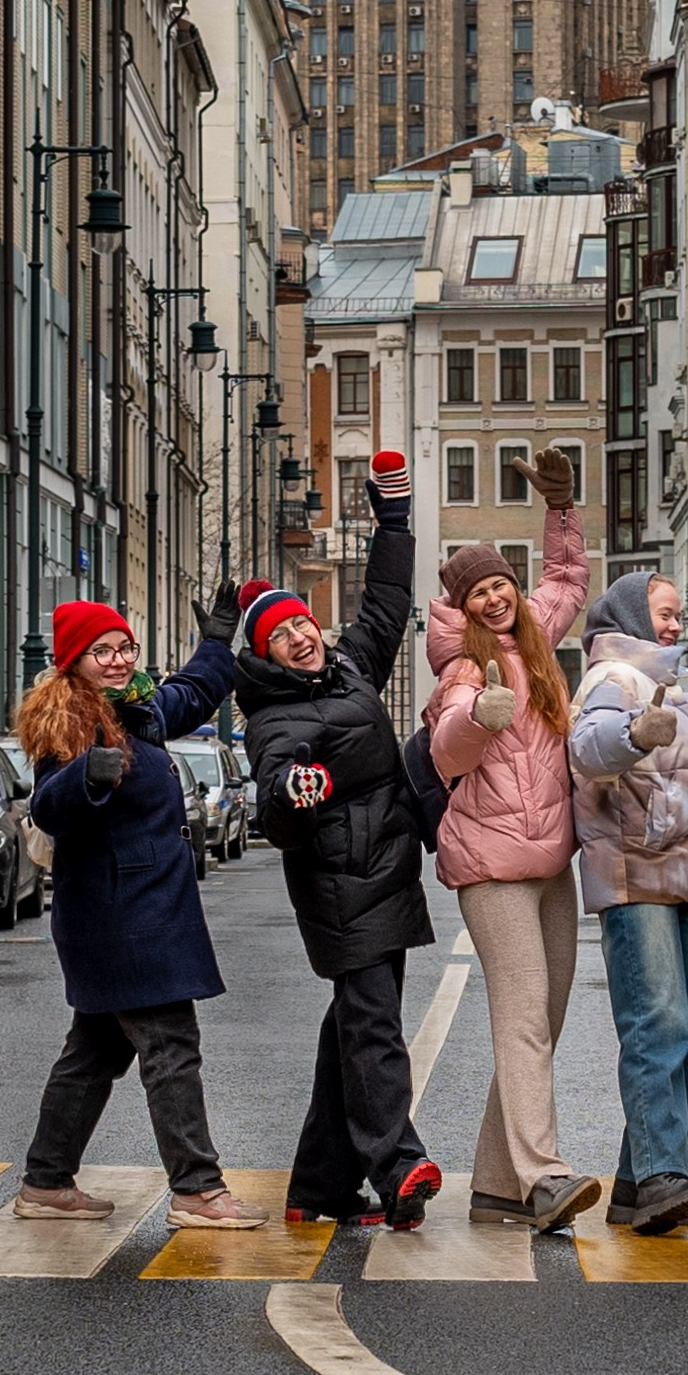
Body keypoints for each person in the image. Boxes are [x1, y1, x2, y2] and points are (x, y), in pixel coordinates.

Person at [11, 593, 264, 1228]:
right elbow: (47, 807)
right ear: (75, 662)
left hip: (132, 910)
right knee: (171, 1045)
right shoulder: (71, 721)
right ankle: (198, 1191)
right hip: (123, 915)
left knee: (95, 1050)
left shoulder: (133, 710)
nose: (120, 660)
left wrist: (217, 641)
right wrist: (87, 778)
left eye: (125, 647)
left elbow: (192, 693)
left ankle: (46, 1182)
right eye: (104, 652)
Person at [234, 452, 439, 1231]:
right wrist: (291, 790)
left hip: (385, 872)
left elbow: (386, 603)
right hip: (341, 885)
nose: (298, 636)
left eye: (300, 622)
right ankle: (396, 1162)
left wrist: (392, 523)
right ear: (263, 653)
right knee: (373, 1025)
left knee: (347, 1032)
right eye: (279, 633)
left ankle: (318, 1187)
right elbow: (274, 791)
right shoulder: (272, 718)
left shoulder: (350, 669)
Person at [425, 447, 594, 1235]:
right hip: (491, 863)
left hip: (550, 856)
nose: (493, 598)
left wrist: (560, 508)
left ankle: (495, 1181)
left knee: (548, 1015)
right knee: (521, 1016)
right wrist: (477, 717)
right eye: (478, 591)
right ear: (461, 605)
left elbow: (565, 582)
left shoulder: (534, 634)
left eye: (498, 583)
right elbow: (445, 749)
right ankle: (542, 1174)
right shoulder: (463, 664)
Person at [568, 561, 688, 1235]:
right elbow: (587, 748)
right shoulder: (610, 676)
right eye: (664, 613)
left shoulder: (667, 682)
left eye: (678, 614)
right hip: (634, 870)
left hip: (686, 873)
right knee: (658, 1024)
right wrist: (632, 736)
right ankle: (661, 1175)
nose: (674, 623)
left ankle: (637, 1179)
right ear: (631, 619)